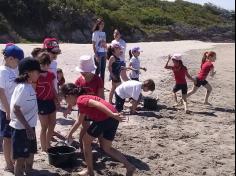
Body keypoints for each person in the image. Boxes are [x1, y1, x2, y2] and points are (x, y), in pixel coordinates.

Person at [62, 83, 136, 176]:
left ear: (68, 96)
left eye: (66, 100)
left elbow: (97, 104)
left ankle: (90, 171)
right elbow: (79, 121)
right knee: (106, 148)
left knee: (86, 141)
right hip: (112, 118)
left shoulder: (81, 100)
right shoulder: (83, 99)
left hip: (106, 118)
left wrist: (111, 115)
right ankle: (129, 166)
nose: (67, 104)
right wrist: (70, 134)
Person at [10, 58, 41, 176]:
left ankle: (29, 170)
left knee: (31, 151)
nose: (39, 75)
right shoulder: (23, 88)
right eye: (37, 72)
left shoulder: (29, 86)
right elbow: (16, 109)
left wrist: (30, 127)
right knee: (21, 158)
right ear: (28, 73)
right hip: (21, 128)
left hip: (29, 126)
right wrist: (27, 127)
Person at [0, 44, 24, 172]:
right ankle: (8, 163)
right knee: (7, 137)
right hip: (5, 111)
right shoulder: (2, 71)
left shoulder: (12, 70)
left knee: (13, 136)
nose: (19, 64)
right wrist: (8, 111)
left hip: (14, 110)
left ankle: (13, 158)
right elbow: (1, 93)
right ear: (10, 58)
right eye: (18, 61)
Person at [72, 55, 104, 149]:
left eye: (85, 71)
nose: (83, 73)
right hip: (83, 108)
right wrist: (69, 108)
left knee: (99, 129)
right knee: (84, 127)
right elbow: (74, 96)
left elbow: (101, 96)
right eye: (82, 71)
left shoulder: (97, 79)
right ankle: (82, 146)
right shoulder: (78, 81)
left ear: (90, 70)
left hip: (95, 107)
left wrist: (101, 109)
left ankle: (102, 146)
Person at [36, 53, 57, 152]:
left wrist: (57, 100)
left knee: (52, 123)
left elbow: (53, 88)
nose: (45, 67)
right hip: (41, 103)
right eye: (42, 64)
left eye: (47, 64)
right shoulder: (36, 76)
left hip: (50, 101)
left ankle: (48, 143)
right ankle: (44, 147)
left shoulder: (51, 75)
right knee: (44, 126)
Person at [92, 18, 107, 84]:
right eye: (101, 24)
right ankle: (95, 83)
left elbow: (105, 43)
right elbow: (94, 45)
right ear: (98, 25)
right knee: (98, 70)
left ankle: (102, 84)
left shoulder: (104, 33)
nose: (102, 25)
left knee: (103, 70)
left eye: (103, 24)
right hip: (98, 53)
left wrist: (106, 52)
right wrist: (96, 55)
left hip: (103, 52)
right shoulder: (95, 33)